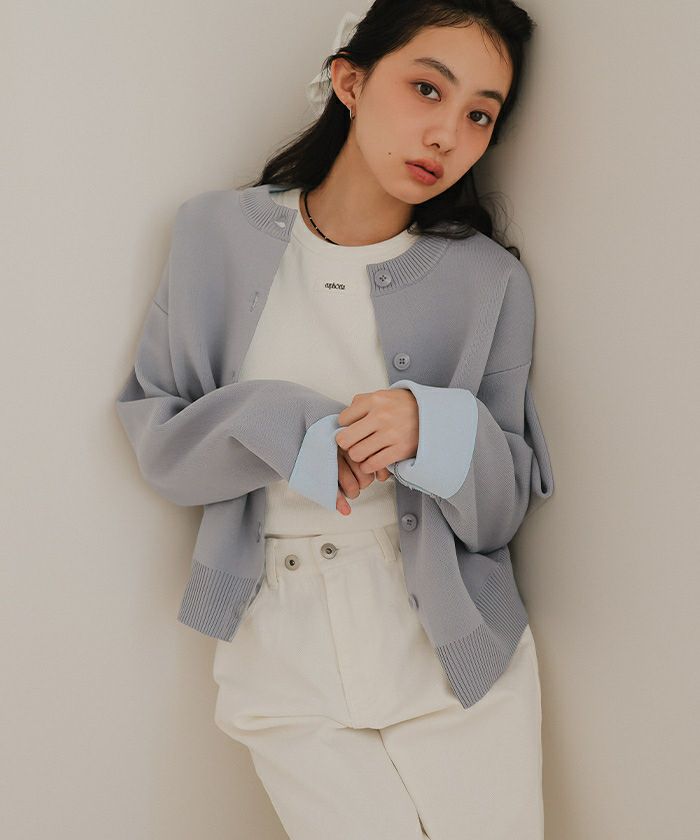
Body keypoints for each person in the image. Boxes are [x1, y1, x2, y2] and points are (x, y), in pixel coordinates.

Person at [115, 1, 554, 837]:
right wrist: (279, 419)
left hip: (450, 645)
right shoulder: (214, 234)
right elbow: (165, 449)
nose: (446, 135)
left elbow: (501, 512)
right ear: (350, 81)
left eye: (479, 115)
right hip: (282, 646)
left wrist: (433, 425)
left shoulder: (488, 279)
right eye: (427, 88)